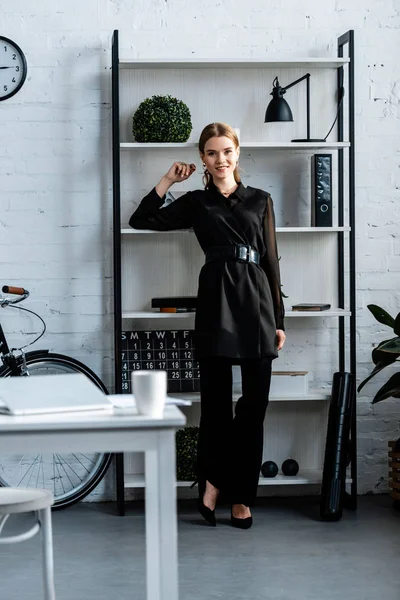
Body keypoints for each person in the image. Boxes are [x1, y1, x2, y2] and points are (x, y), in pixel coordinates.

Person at [129, 122, 286, 529]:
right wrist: (166, 180)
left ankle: (239, 496)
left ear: (238, 153)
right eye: (212, 153)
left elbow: (271, 263)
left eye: (227, 152)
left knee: (253, 409)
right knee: (215, 406)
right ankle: (211, 482)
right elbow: (142, 218)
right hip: (216, 302)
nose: (221, 160)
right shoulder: (196, 202)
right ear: (202, 158)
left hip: (257, 306)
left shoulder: (261, 200)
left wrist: (279, 321)